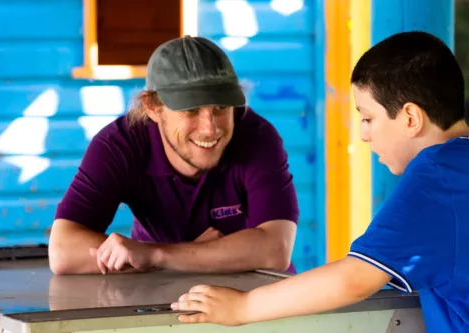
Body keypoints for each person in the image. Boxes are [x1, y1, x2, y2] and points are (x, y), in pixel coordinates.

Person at [171, 31, 469, 333]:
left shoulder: (435, 177)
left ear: (410, 118)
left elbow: (355, 278)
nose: (364, 135)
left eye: (367, 118)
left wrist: (242, 307)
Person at [48, 35, 299, 275]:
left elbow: (276, 249)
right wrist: (183, 259)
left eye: (221, 107)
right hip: (159, 293)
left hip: (258, 294)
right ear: (153, 108)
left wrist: (156, 256)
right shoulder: (119, 144)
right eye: (190, 110)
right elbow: (63, 251)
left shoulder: (258, 136)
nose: (210, 128)